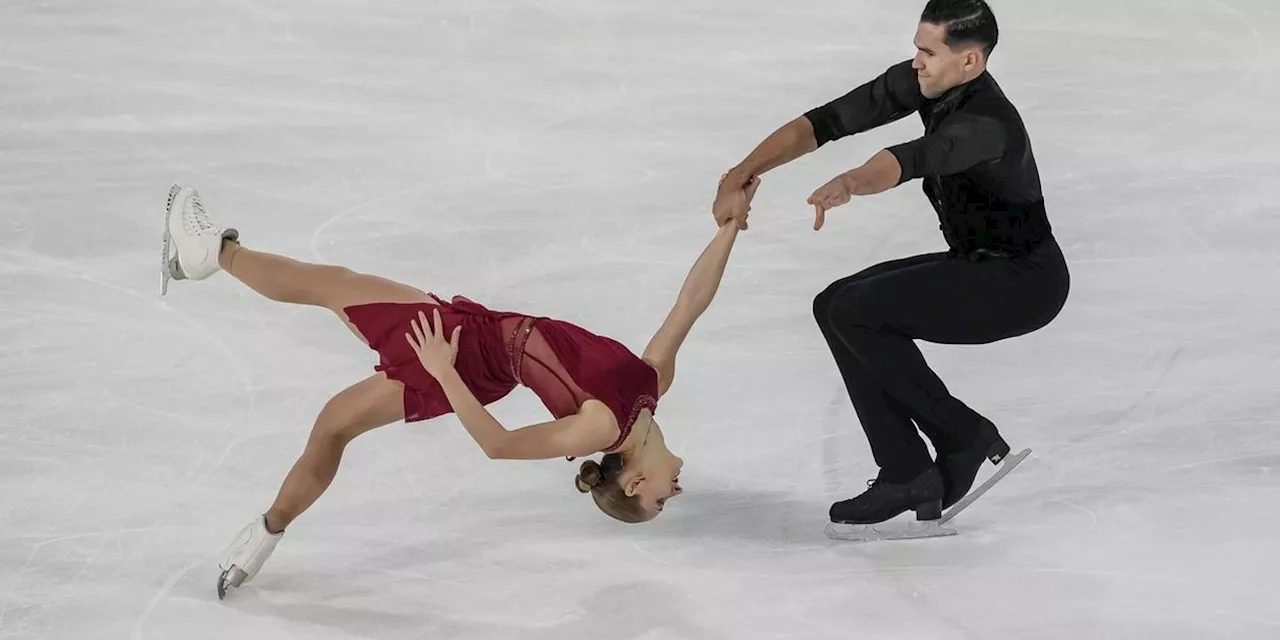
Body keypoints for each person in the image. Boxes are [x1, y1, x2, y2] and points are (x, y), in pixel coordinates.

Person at [158, 177, 759, 597]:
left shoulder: (602, 426)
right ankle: (262, 536)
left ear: (632, 481)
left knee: (329, 287)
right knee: (334, 422)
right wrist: (732, 226)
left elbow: (497, 446)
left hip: (457, 350)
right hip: (471, 355)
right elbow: (689, 305)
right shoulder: (652, 387)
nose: (671, 495)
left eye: (655, 502)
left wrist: (444, 368)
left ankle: (209, 252)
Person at [711, 0, 1070, 530]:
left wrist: (853, 182)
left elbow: (913, 158)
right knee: (833, 305)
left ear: (970, 62)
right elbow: (827, 121)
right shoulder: (927, 82)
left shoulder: (988, 123)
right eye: (916, 49)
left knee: (857, 311)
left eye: (929, 52)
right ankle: (907, 469)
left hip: (1023, 282)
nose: (917, 62)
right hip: (976, 263)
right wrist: (741, 171)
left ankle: (961, 436)